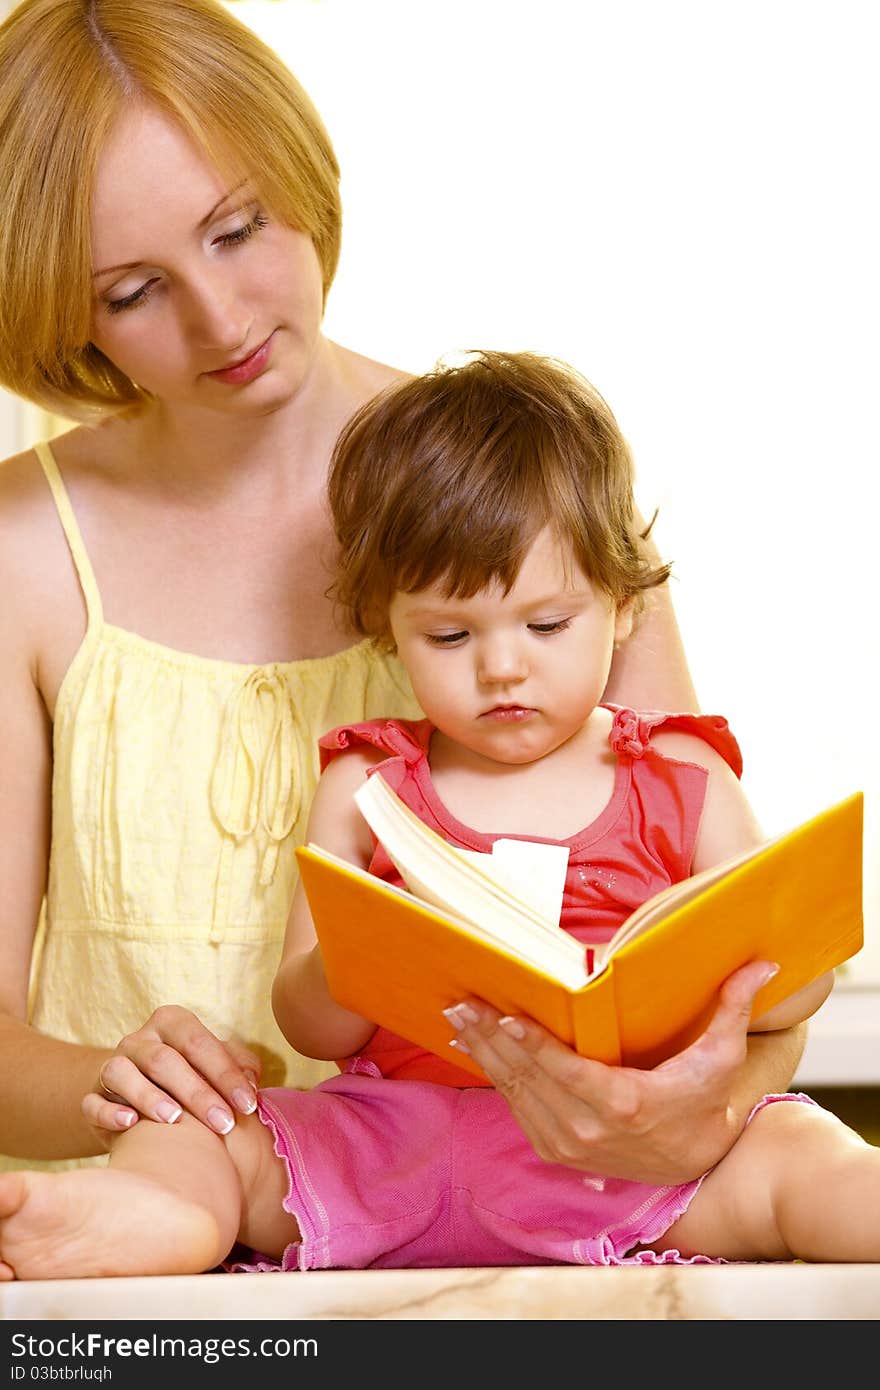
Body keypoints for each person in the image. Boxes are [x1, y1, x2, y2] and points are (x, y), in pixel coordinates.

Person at [0, 0, 803, 1183]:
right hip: (154, 1254)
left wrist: (702, 1106)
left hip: (523, 1239)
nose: (222, 320)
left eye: (237, 229)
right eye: (131, 292)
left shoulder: (527, 491)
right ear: (60, 306)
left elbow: (739, 961)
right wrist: (116, 1083)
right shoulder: (24, 551)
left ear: (299, 175)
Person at [1, 349, 874, 1279]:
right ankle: (152, 1212)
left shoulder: (679, 770)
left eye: (547, 626)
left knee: (803, 1157)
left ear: (622, 609)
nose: (502, 667)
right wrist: (362, 956)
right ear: (388, 626)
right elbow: (310, 1026)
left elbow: (796, 987)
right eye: (450, 636)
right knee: (194, 1127)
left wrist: (713, 963)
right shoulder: (368, 784)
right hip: (385, 1145)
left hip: (611, 1161)